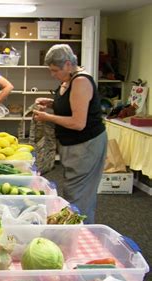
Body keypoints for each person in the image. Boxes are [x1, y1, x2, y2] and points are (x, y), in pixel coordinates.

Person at [33, 44, 107, 224]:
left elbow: (78, 122)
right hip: (73, 145)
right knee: (73, 191)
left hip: (85, 145)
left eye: (55, 70)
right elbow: (70, 104)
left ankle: (81, 233)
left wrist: (48, 117)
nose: (53, 74)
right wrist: (51, 103)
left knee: (79, 195)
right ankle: (74, 230)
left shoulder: (81, 81)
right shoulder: (68, 78)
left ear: (68, 64)